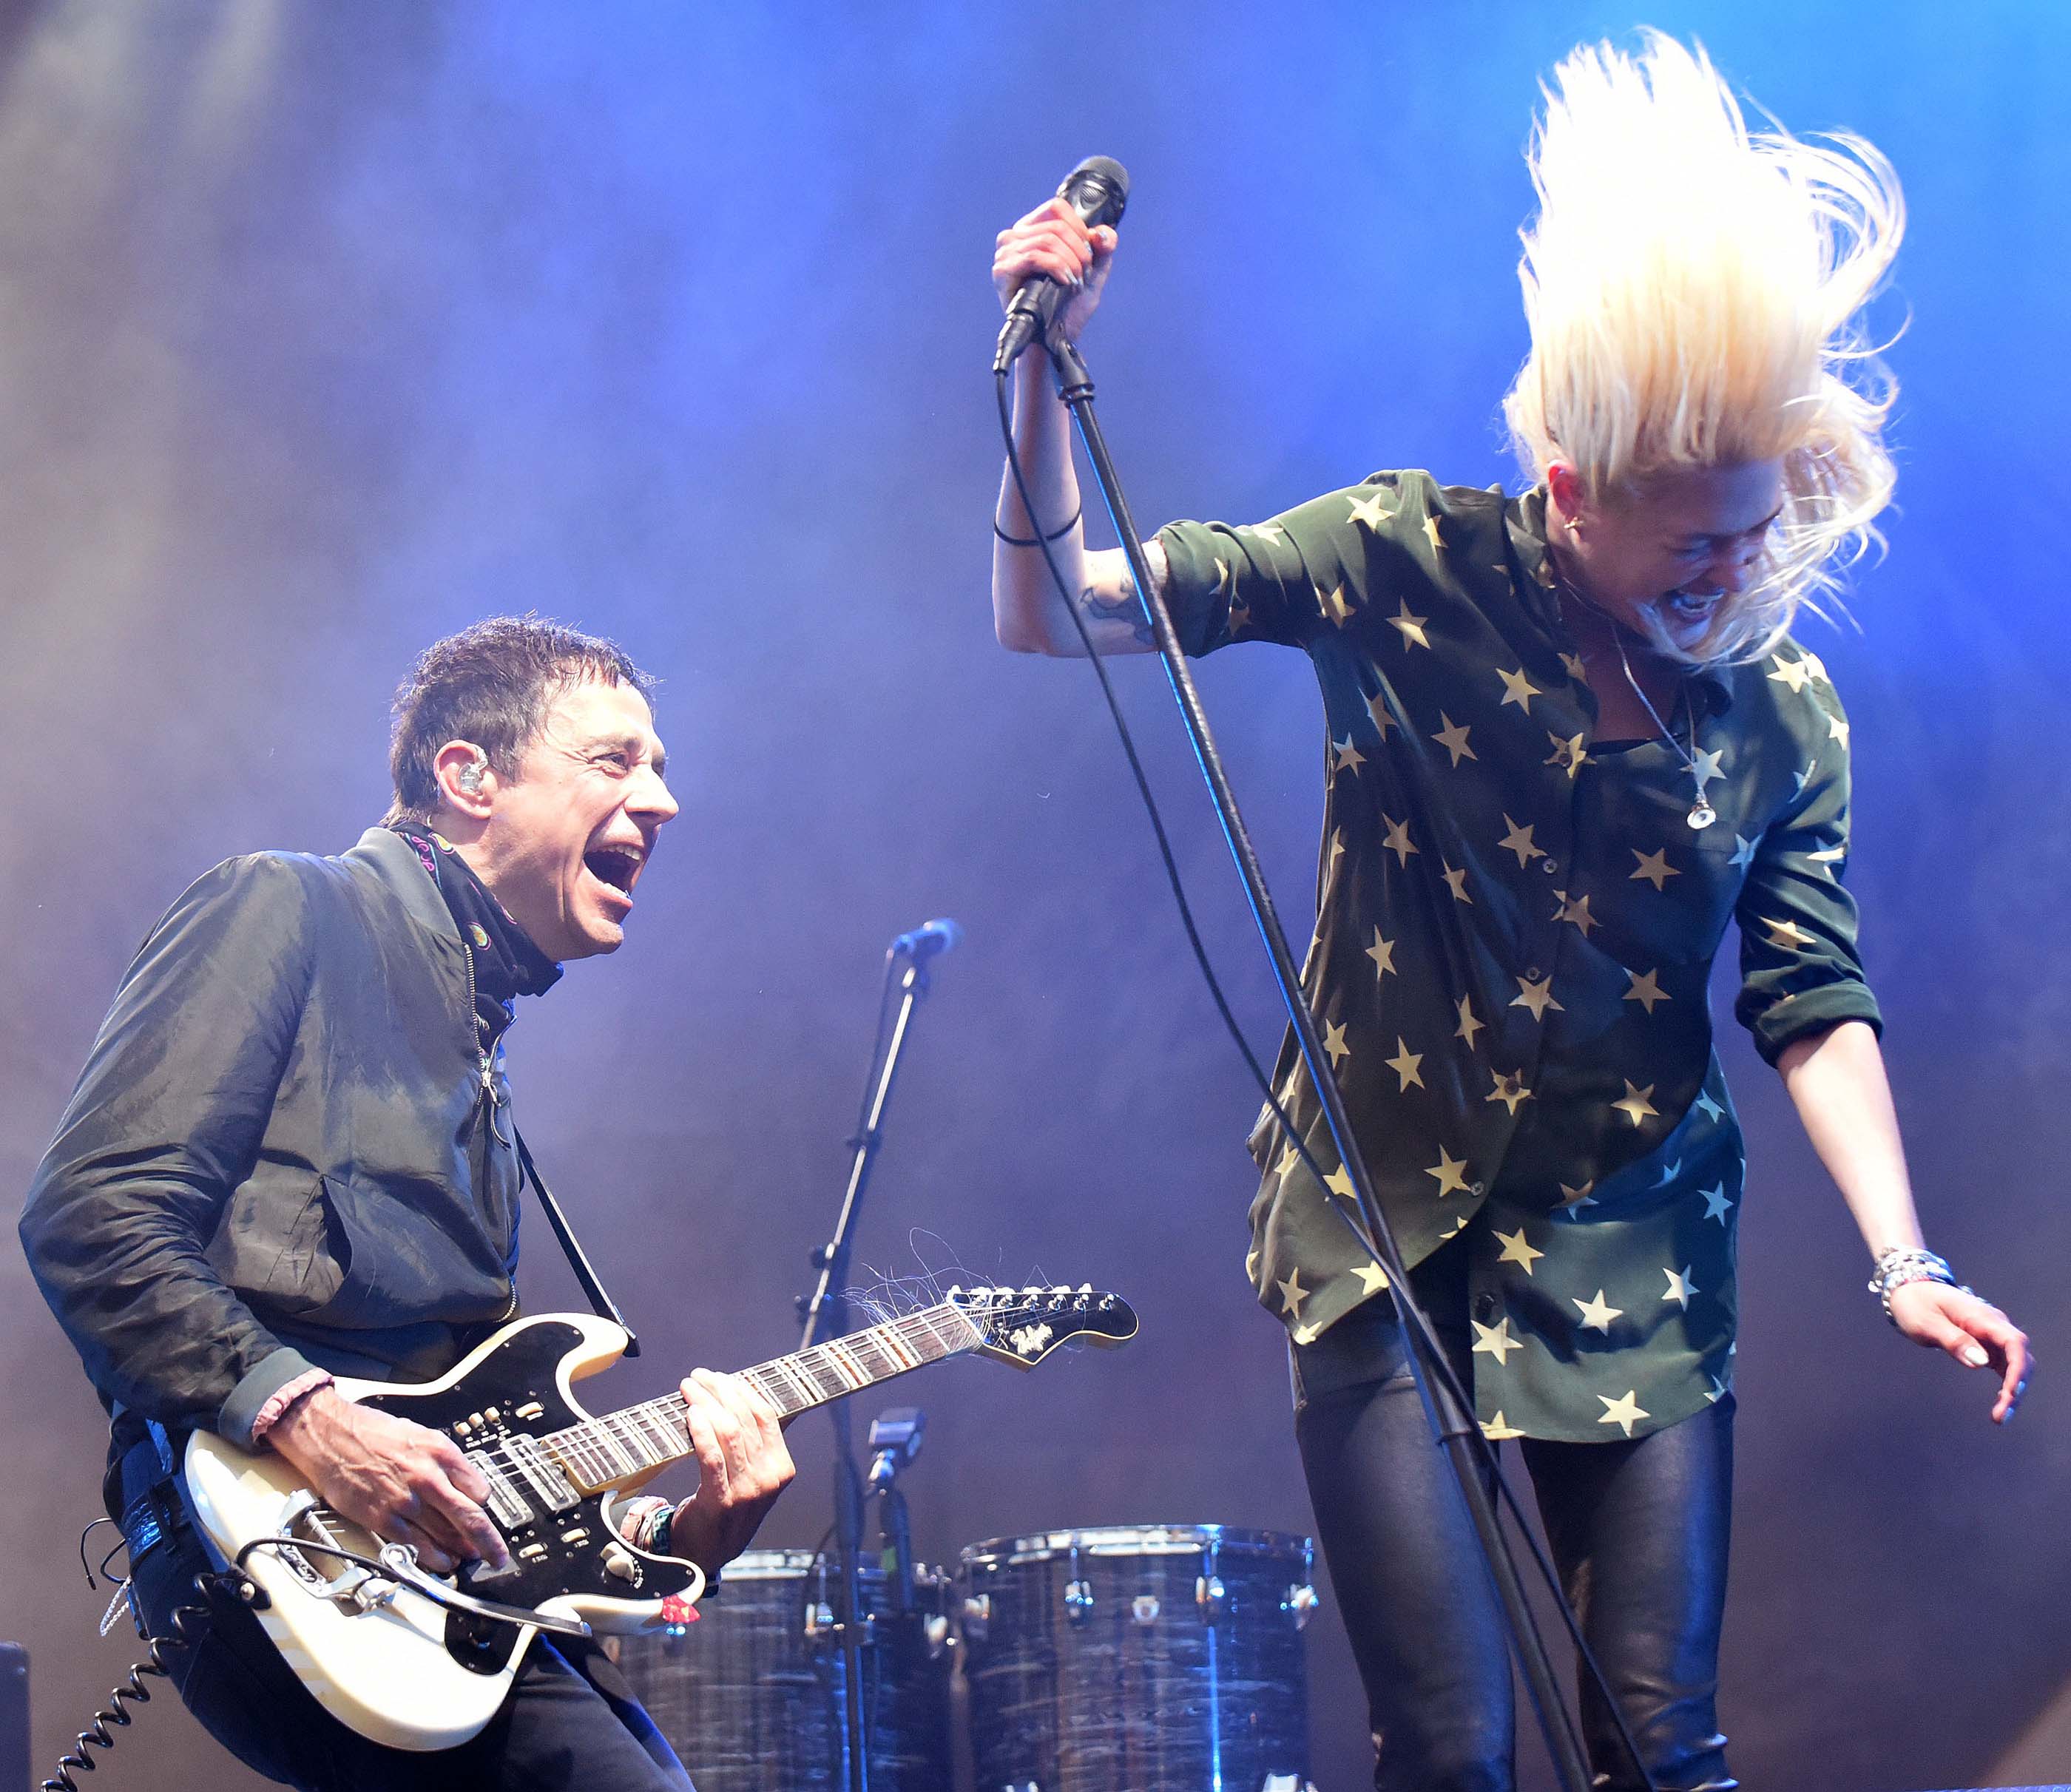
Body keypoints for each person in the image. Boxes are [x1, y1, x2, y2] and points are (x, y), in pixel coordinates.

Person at [987, 33, 2030, 1792]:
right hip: (1381, 1226)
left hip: (1634, 1253)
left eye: (1751, 539)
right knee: (1453, 1754)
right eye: (1689, 548)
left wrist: (1899, 1254)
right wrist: (1036, 378)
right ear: (1569, 496)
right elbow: (1057, 614)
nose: (1728, 580)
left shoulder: (1780, 712)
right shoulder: (1400, 559)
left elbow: (1807, 994)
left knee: (1660, 1749)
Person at [19, 618, 796, 1792]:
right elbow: (93, 1212)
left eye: (663, 767)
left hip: (434, 1589)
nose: (664, 801)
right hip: (275, 1545)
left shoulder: (475, 1055)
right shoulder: (285, 907)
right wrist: (307, 1419)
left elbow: (487, 1447)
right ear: (468, 777)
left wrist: (685, 1540)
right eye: (617, 760)